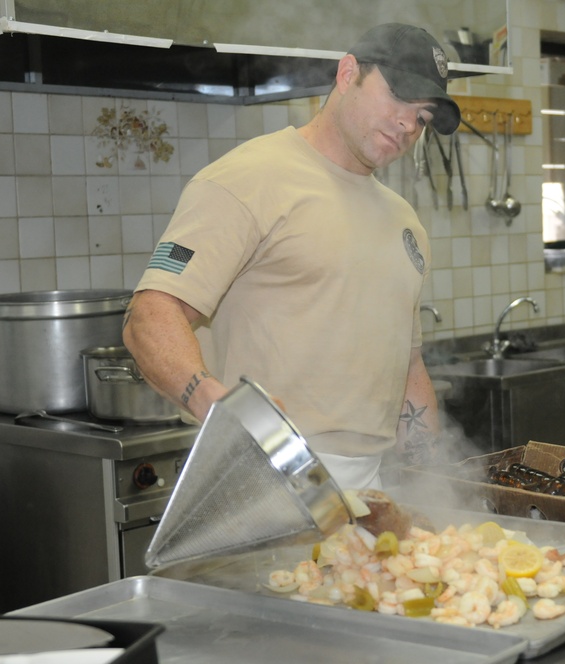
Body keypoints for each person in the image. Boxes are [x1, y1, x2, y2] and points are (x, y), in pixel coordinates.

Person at [122, 23, 461, 490]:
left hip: (367, 486)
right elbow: (150, 314)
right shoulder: (246, 180)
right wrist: (214, 405)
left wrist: (431, 484)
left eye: (422, 118)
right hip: (256, 476)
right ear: (348, 74)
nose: (408, 124)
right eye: (399, 97)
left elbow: (407, 366)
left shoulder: (404, 223)